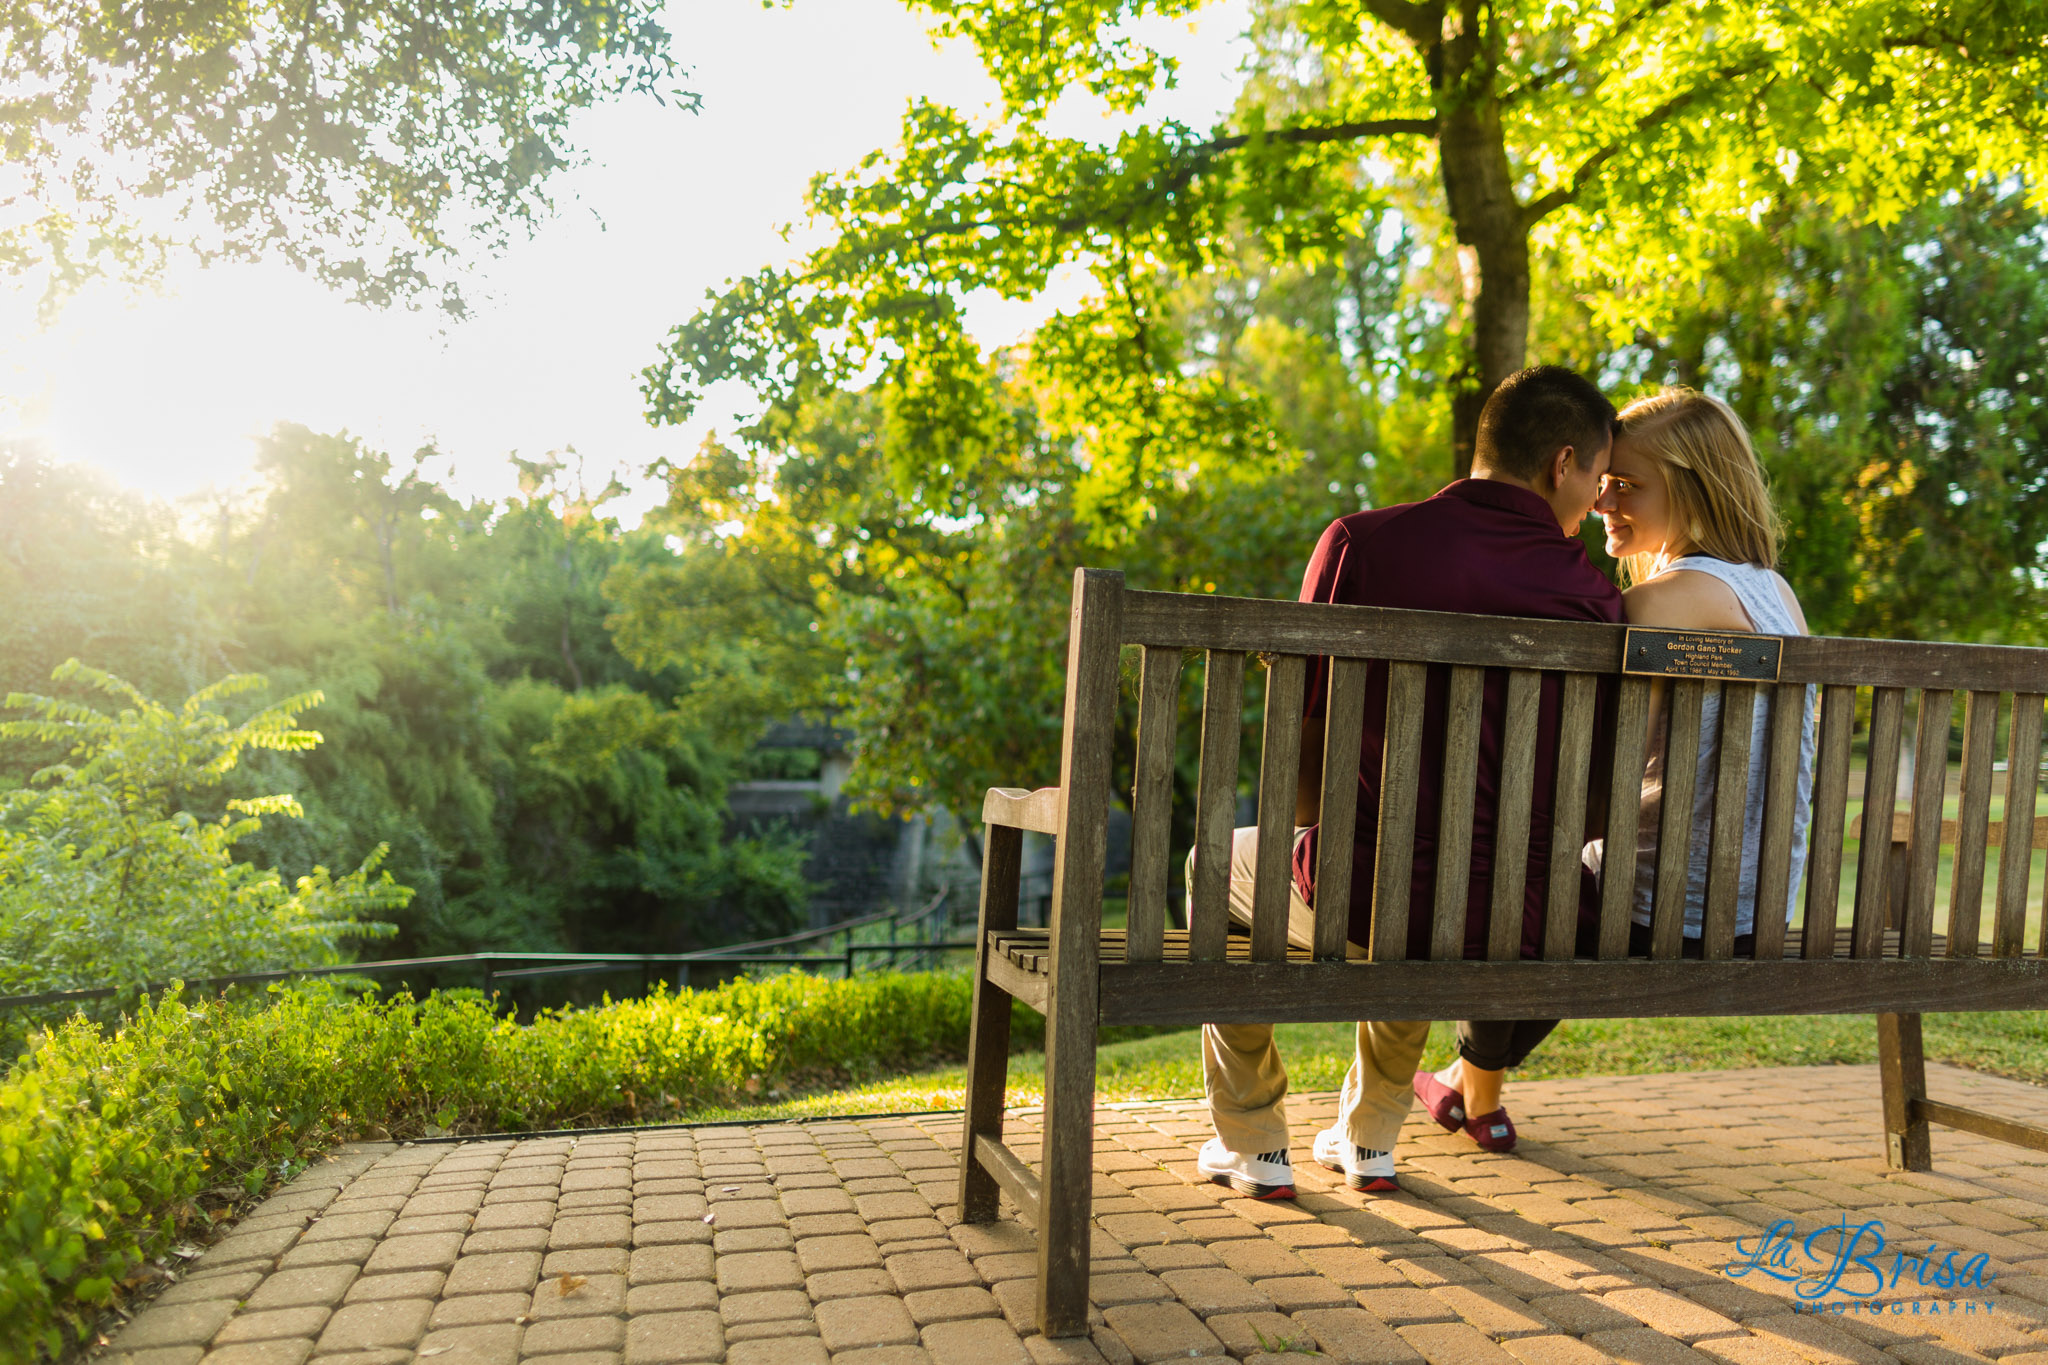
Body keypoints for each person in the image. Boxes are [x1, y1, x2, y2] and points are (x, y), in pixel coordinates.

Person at [1195, 365, 1623, 1199]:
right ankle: (1371, 1136)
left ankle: (1254, 1141)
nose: (1594, 504)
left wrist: (1312, 841)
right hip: (1518, 910)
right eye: (1596, 481)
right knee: (1438, 875)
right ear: (1562, 463)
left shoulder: (1362, 542)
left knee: (1221, 865)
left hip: (1368, 890)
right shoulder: (1594, 598)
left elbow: (1303, 731)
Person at [1583, 387, 1817, 955]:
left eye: (1627, 485)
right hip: (1756, 915)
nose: (1601, 504)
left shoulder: (1660, 603)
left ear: (1692, 491)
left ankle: (1481, 1050)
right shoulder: (1776, 593)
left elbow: (1608, 787)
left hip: (1657, 907)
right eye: (1603, 483)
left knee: (1496, 867)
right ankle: (1481, 1052)